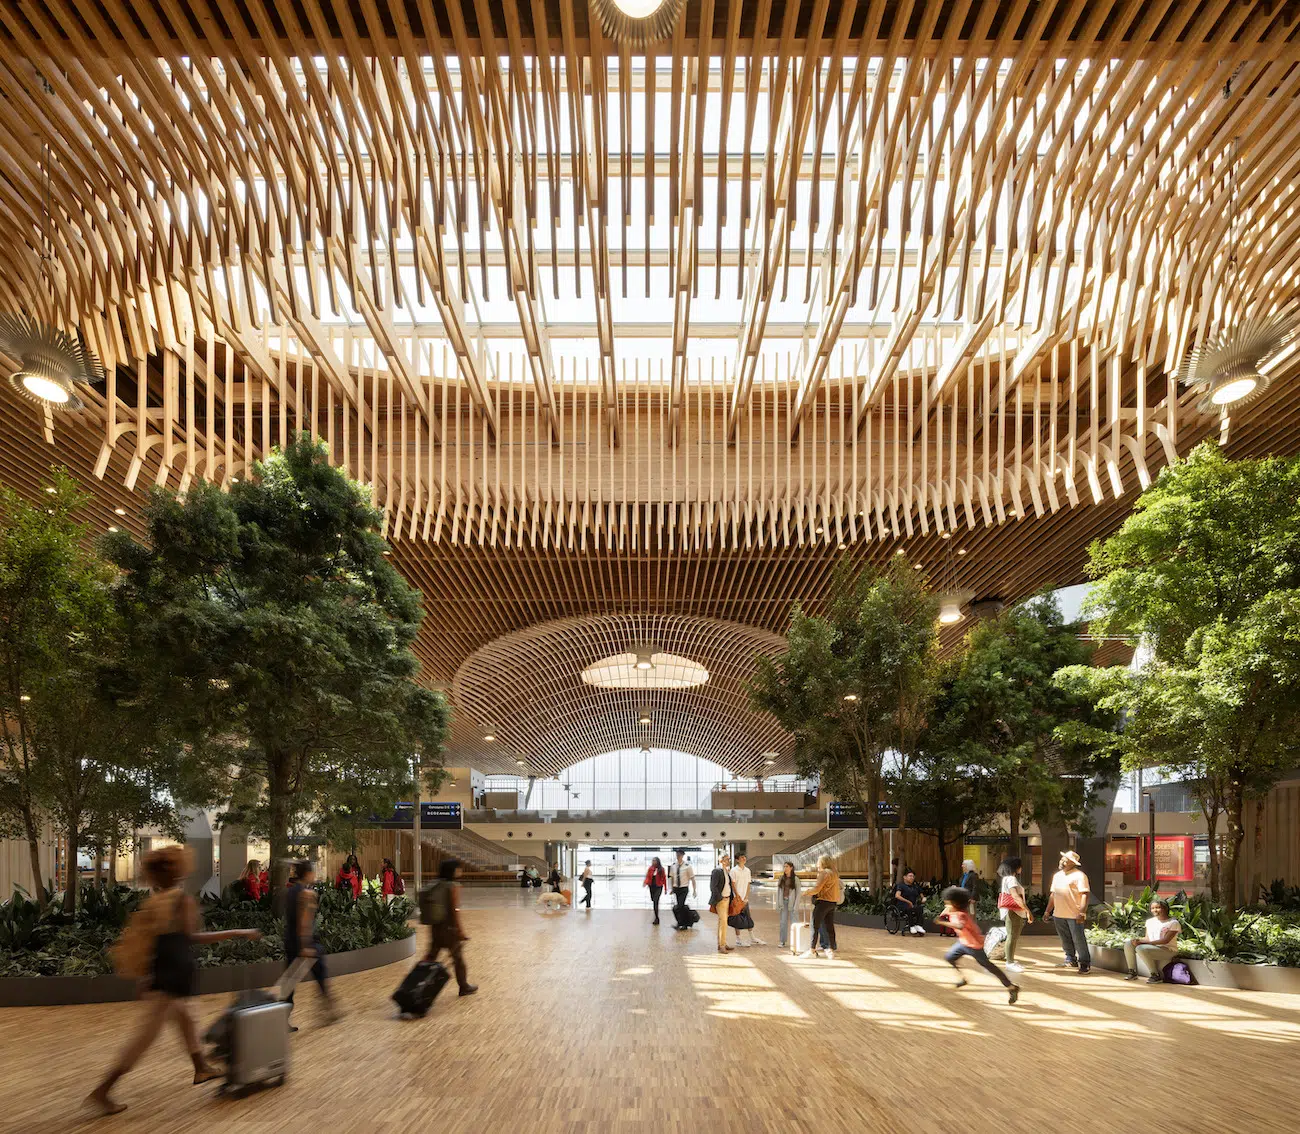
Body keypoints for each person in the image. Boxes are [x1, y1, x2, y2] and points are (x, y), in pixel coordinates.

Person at [86, 846, 262, 1116]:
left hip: (163, 975)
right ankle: (102, 1091)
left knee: (187, 1018)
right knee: (143, 1040)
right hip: (173, 977)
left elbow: (151, 943)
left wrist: (146, 976)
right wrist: (239, 931)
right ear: (179, 870)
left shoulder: (154, 901)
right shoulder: (181, 900)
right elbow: (193, 937)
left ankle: (201, 1068)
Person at [934, 886, 1019, 1004]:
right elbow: (946, 911)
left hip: (975, 945)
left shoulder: (961, 915)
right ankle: (963, 979)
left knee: (989, 967)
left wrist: (942, 922)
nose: (946, 904)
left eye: (948, 902)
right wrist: (942, 914)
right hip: (963, 943)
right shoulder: (952, 909)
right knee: (949, 957)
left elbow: (959, 926)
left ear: (955, 903)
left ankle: (1011, 987)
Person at [284, 860, 340, 1029]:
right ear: (308, 874)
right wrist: (305, 946)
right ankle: (328, 1009)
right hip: (304, 943)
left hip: (290, 941)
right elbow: (304, 922)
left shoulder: (291, 891)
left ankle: (280, 1018)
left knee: (289, 983)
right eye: (313, 872)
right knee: (320, 973)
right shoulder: (307, 894)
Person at [421, 857, 478, 997]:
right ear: (452, 870)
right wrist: (460, 931)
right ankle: (464, 986)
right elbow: (454, 911)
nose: (460, 870)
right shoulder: (452, 886)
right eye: (458, 868)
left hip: (436, 928)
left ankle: (416, 981)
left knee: (431, 956)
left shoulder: (435, 884)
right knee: (458, 959)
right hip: (449, 929)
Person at [1044, 850, 1092, 974]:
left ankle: (1085, 963)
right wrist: (1048, 911)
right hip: (1059, 914)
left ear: (1073, 863)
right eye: (1062, 859)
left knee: (1078, 939)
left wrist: (1082, 912)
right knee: (1065, 938)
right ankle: (1070, 959)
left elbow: (1085, 894)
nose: (1063, 862)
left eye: (1066, 861)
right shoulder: (1057, 876)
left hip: (1074, 914)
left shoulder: (1080, 876)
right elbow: (1053, 894)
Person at [1124, 899, 1182, 983]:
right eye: (1153, 908)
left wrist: (1144, 943)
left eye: (1158, 907)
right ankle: (1132, 972)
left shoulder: (1173, 923)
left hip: (1168, 950)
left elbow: (1165, 941)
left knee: (1141, 948)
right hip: (1152, 947)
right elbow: (1147, 938)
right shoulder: (1150, 922)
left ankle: (1155, 975)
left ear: (1165, 908)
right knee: (1129, 944)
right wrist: (1138, 940)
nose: (1155, 910)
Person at [802, 854, 843, 960]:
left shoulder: (824, 873)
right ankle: (830, 950)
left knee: (814, 925)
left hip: (823, 902)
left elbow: (817, 888)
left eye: (818, 861)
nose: (817, 863)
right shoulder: (834, 873)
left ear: (823, 863)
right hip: (832, 902)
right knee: (829, 926)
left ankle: (812, 950)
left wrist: (806, 892)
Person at [996, 857, 1032, 973]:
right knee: (1012, 935)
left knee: (1013, 935)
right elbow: (1015, 896)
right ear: (1015, 867)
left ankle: (1010, 960)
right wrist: (1027, 911)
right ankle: (1009, 962)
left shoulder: (1007, 879)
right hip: (1014, 911)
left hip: (1012, 910)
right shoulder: (1011, 879)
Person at [729, 853, 765, 946]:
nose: (744, 859)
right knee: (737, 918)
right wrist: (737, 896)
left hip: (745, 899)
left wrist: (746, 897)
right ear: (737, 860)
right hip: (736, 899)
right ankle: (738, 939)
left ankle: (752, 937)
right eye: (741, 857)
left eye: (744, 857)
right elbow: (733, 885)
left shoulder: (747, 870)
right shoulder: (733, 871)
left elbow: (748, 884)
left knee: (748, 917)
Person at [709, 853, 734, 954]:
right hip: (721, 900)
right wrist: (720, 898)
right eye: (726, 859)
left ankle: (721, 943)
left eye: (729, 859)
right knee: (723, 922)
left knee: (722, 922)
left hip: (727, 899)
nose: (728, 861)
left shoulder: (726, 871)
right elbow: (713, 887)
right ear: (721, 860)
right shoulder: (717, 871)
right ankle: (722, 945)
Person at [775, 861, 801, 949]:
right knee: (783, 922)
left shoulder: (796, 879)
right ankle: (782, 941)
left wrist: (796, 906)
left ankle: (797, 941)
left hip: (792, 903)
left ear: (791, 868)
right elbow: (778, 892)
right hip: (783, 903)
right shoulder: (781, 878)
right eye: (784, 866)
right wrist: (778, 904)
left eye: (787, 866)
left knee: (795, 923)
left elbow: (798, 893)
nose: (785, 868)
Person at [893, 868, 926, 936]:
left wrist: (923, 899)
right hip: (902, 906)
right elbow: (897, 896)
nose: (912, 878)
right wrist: (908, 902)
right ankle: (912, 926)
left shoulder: (915, 887)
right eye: (910, 876)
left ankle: (918, 926)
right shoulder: (901, 885)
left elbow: (922, 896)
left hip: (912, 905)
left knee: (920, 908)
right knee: (909, 908)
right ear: (905, 877)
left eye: (913, 876)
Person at [669, 849, 696, 923]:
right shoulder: (673, 866)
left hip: (684, 888)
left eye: (679, 855)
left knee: (680, 905)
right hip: (676, 888)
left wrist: (694, 890)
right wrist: (672, 889)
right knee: (679, 906)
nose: (678, 856)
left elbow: (692, 878)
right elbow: (672, 878)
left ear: (683, 855)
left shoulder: (687, 866)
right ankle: (682, 922)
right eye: (677, 855)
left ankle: (682, 922)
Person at [643, 856, 666, 925]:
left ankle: (657, 918)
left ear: (658, 862)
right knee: (653, 900)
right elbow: (647, 877)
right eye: (652, 860)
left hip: (659, 887)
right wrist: (645, 882)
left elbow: (664, 878)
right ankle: (656, 916)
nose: (653, 862)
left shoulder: (661, 869)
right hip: (651, 887)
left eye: (654, 860)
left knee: (656, 901)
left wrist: (665, 888)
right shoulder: (650, 868)